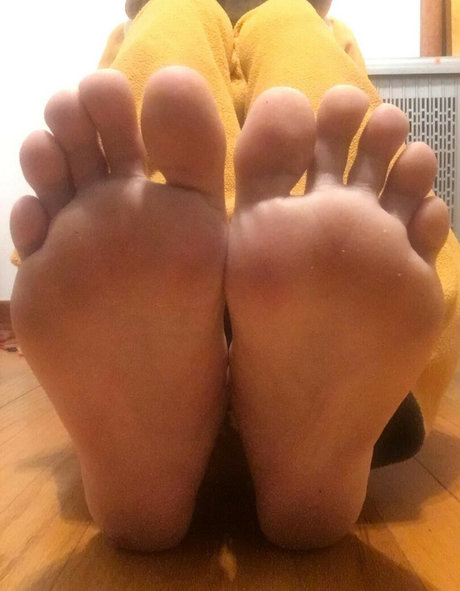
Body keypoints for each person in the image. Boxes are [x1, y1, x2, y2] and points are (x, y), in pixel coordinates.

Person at [9, 0, 460, 552]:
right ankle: (309, 448)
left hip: (161, 324)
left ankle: (156, 449)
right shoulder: (328, 33)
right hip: (317, 338)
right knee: (276, 35)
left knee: (183, 29)